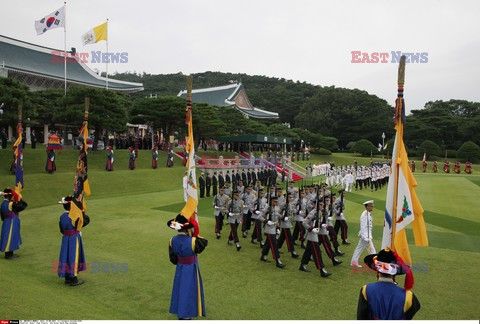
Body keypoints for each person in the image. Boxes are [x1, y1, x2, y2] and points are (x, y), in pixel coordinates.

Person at [357, 248, 421, 320]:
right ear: (395, 274)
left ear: (378, 272)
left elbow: (361, 317)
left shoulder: (366, 290)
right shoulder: (408, 297)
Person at [167, 214, 207, 320]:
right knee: (189, 289)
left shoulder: (172, 240)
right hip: (190, 268)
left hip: (180, 267)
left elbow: (173, 259)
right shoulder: (193, 241)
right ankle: (187, 313)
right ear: (187, 229)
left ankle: (179, 309)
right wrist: (195, 234)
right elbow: (204, 243)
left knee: (180, 289)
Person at [56, 196, 89, 286]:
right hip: (74, 239)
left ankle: (67, 277)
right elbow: (85, 221)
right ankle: (74, 279)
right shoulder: (74, 216)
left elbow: (61, 229)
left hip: (65, 238)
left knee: (66, 256)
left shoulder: (62, 216)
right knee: (73, 257)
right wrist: (81, 211)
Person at [0, 188, 28, 259]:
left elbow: (2, 216)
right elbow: (23, 205)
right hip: (11, 222)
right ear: (8, 196)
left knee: (7, 237)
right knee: (11, 237)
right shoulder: (10, 204)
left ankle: (9, 254)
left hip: (6, 222)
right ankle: (9, 255)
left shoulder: (3, 204)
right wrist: (19, 198)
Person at [259, 196, 286, 268]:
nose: (276, 203)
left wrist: (283, 217)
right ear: (271, 201)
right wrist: (266, 221)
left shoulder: (276, 208)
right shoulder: (267, 208)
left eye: (277, 201)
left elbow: (277, 215)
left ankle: (263, 256)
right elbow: (259, 216)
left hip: (274, 227)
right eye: (275, 201)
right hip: (269, 228)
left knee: (268, 243)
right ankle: (278, 260)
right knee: (274, 245)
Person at [351, 200, 376, 267]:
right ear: (367, 206)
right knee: (372, 250)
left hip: (367, 235)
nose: (372, 207)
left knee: (359, 248)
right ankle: (375, 263)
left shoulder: (368, 213)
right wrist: (365, 237)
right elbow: (363, 226)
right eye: (371, 206)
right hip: (365, 236)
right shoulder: (364, 215)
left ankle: (354, 261)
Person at [277, 194, 300, 259]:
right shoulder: (282, 204)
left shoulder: (290, 204)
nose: (291, 198)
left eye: (291, 197)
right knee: (289, 237)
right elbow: (278, 213)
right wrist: (282, 217)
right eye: (289, 197)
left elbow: (292, 210)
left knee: (282, 237)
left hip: (288, 222)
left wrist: (298, 212)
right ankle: (293, 252)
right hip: (284, 223)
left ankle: (277, 248)